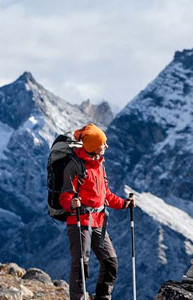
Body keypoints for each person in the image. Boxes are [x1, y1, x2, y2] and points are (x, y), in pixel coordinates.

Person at [59, 123, 135, 300]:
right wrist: (72, 203)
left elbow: (105, 195)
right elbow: (64, 197)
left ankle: (103, 297)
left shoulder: (99, 164)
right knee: (81, 264)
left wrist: (124, 204)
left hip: (98, 222)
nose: (106, 146)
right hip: (79, 221)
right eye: (103, 144)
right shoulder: (74, 166)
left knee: (110, 262)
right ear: (93, 148)